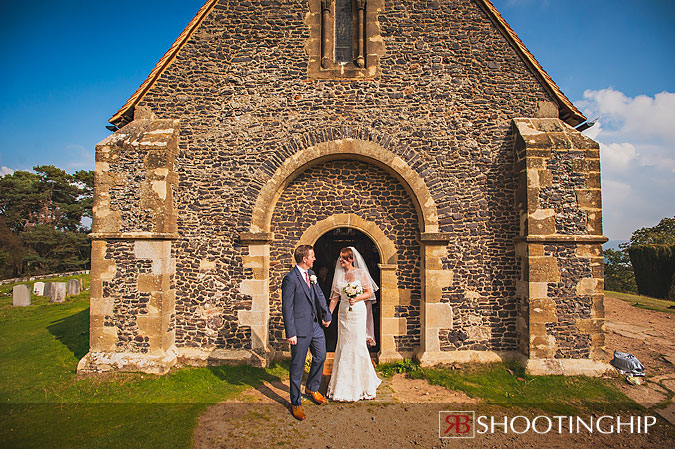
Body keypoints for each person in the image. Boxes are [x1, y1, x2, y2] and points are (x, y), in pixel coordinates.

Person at [281, 245, 332, 420]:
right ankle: (295, 402)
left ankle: (312, 387)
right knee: (297, 366)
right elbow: (287, 307)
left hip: (316, 326)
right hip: (300, 330)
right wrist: (291, 333)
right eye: (312, 256)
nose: (314, 259)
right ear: (304, 259)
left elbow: (319, 295)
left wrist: (326, 314)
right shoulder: (290, 279)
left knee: (321, 356)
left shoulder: (311, 275)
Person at [326, 246, 382, 401]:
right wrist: (328, 314)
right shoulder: (339, 276)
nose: (340, 261)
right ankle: (341, 385)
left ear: (351, 259)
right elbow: (335, 298)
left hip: (357, 311)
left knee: (357, 345)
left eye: (343, 258)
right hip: (343, 314)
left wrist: (356, 298)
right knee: (343, 345)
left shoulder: (360, 273)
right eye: (340, 258)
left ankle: (362, 384)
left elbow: (369, 292)